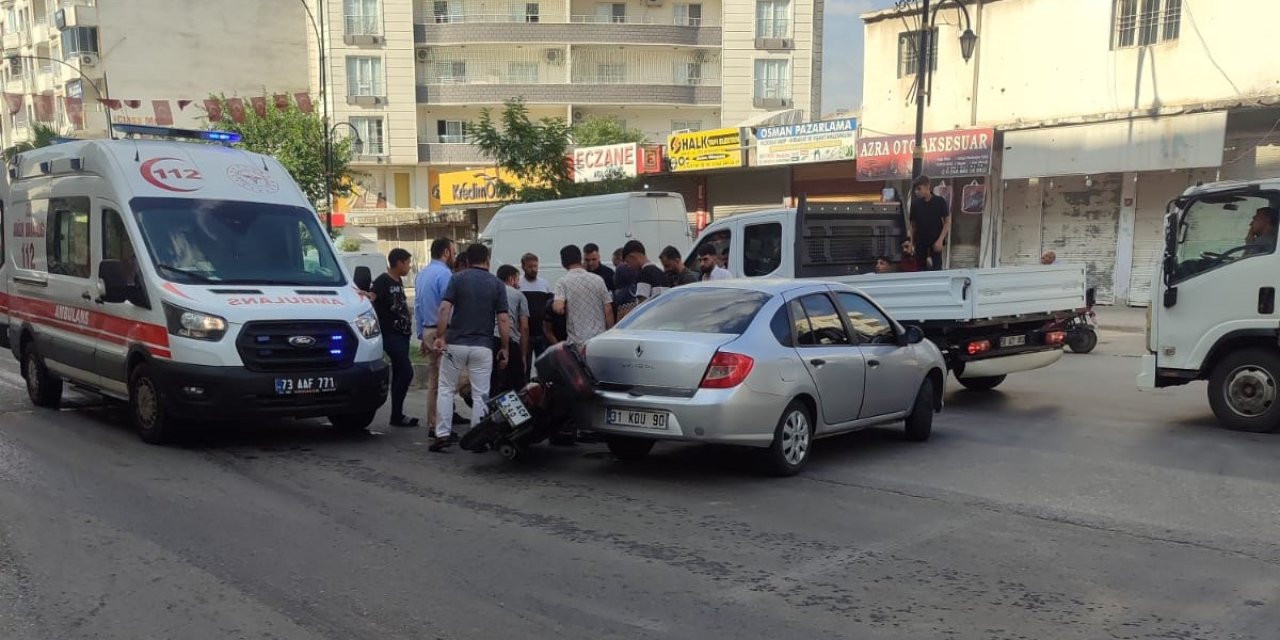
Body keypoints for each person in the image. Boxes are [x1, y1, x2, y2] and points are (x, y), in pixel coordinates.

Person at [432, 244, 510, 452]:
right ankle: (478, 437)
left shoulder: (457, 278)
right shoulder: (496, 284)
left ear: (467, 261)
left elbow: (444, 308)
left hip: (456, 344)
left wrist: (441, 336)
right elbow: (503, 319)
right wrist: (505, 347)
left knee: (446, 389)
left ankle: (442, 434)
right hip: (482, 347)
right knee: (480, 393)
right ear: (487, 260)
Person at [372, 248, 417, 427]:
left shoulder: (398, 281)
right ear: (399, 263)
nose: (409, 266)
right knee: (406, 372)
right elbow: (373, 296)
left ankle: (397, 415)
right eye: (407, 262)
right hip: (391, 335)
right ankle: (396, 414)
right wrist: (367, 294)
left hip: (403, 335)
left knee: (400, 374)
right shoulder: (383, 280)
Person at [414, 237, 455, 432]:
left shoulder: (422, 274)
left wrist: (422, 334)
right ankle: (441, 425)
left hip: (428, 329)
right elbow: (446, 308)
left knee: (434, 382)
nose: (454, 255)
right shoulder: (445, 274)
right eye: (453, 251)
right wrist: (443, 334)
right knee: (446, 380)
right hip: (442, 331)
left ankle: (434, 422)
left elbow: (418, 306)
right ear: (446, 252)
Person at [553, 244, 615, 344]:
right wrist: (610, 332)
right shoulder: (598, 280)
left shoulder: (562, 282)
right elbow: (608, 308)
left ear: (563, 263)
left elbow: (558, 308)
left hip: (577, 341)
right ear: (580, 259)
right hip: (598, 339)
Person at [492, 265, 530, 395]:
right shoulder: (519, 295)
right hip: (509, 340)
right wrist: (523, 356)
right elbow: (524, 327)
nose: (519, 284)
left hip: (489, 341)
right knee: (517, 386)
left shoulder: (491, 291)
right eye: (518, 279)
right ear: (511, 279)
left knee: (492, 383)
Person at [909, 174, 951, 271]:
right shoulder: (915, 204)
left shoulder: (939, 201)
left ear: (927, 186)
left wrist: (940, 240)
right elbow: (912, 225)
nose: (916, 192)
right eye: (915, 190)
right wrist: (911, 243)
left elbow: (947, 222)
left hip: (935, 240)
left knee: (937, 269)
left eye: (919, 189)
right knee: (920, 269)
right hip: (920, 242)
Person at [519, 252, 552, 374]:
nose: (534, 269)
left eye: (535, 266)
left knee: (543, 367)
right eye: (530, 267)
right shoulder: (519, 284)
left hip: (541, 333)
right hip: (524, 334)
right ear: (523, 267)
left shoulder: (544, 284)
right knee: (524, 366)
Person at [619, 240, 667, 318]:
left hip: (651, 318)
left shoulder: (643, 274)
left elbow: (642, 302)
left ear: (633, 257)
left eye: (628, 262)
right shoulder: (660, 272)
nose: (629, 266)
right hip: (662, 314)